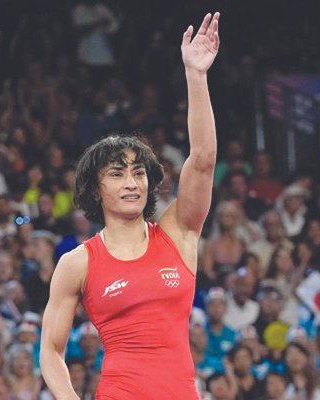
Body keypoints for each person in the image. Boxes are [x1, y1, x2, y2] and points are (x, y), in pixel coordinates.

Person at [40, 12, 220, 399]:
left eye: (138, 172)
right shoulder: (78, 263)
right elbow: (51, 350)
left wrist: (196, 76)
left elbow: (203, 159)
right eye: (117, 173)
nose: (132, 182)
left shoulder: (178, 233)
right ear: (95, 190)